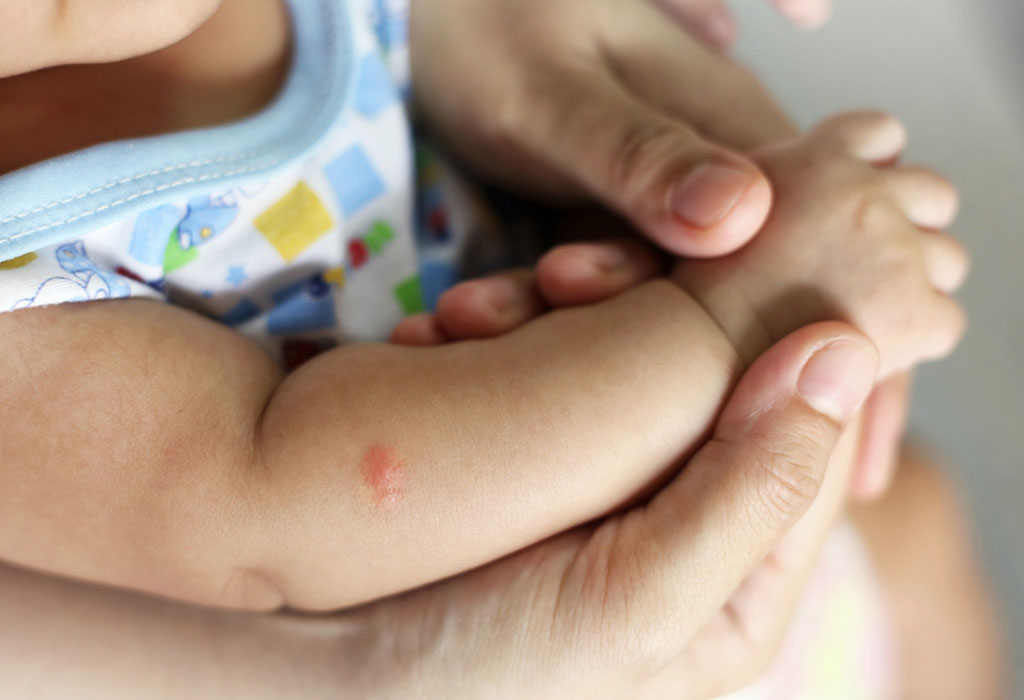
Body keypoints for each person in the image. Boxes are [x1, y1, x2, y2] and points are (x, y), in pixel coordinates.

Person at [0, 0, 1002, 696]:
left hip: (680, 452)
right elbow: (279, 493)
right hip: (552, 643)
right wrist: (741, 314)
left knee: (915, 520)